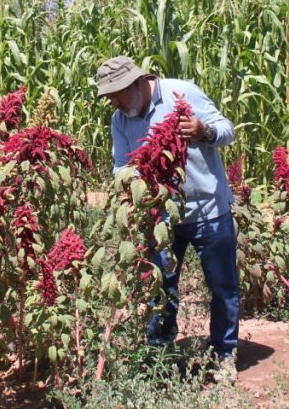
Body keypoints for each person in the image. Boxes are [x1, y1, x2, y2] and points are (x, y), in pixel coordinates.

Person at [96, 55, 240, 373]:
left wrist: (204, 131)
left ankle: (224, 354)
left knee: (222, 286)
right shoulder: (120, 119)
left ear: (135, 83)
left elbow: (227, 130)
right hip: (161, 217)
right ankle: (160, 356)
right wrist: (134, 186)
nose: (112, 102)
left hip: (208, 210)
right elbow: (121, 166)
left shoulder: (183, 93)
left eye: (115, 94)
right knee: (161, 287)